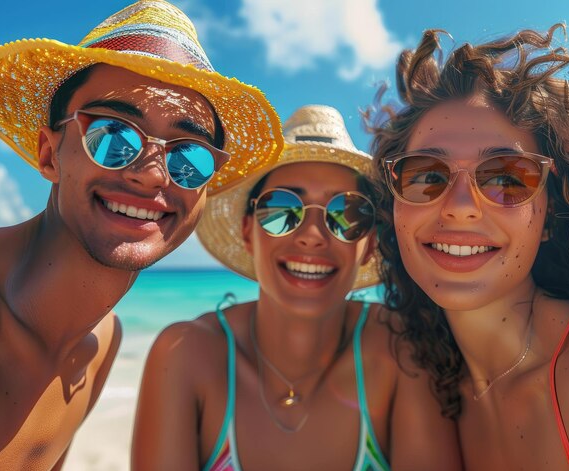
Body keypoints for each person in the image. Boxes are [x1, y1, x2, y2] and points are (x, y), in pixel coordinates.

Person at [0, 1, 283, 469]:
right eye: (113, 134)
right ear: (49, 154)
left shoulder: (100, 344)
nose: (152, 176)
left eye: (188, 157)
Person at [132, 105, 462, 471]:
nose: (311, 236)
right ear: (247, 231)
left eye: (346, 214)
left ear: (368, 243)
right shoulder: (186, 354)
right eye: (281, 209)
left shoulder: (402, 348)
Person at [368, 24, 569, 470]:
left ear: (549, 215)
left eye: (507, 177)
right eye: (426, 175)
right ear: (394, 208)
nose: (461, 208)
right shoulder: (436, 384)